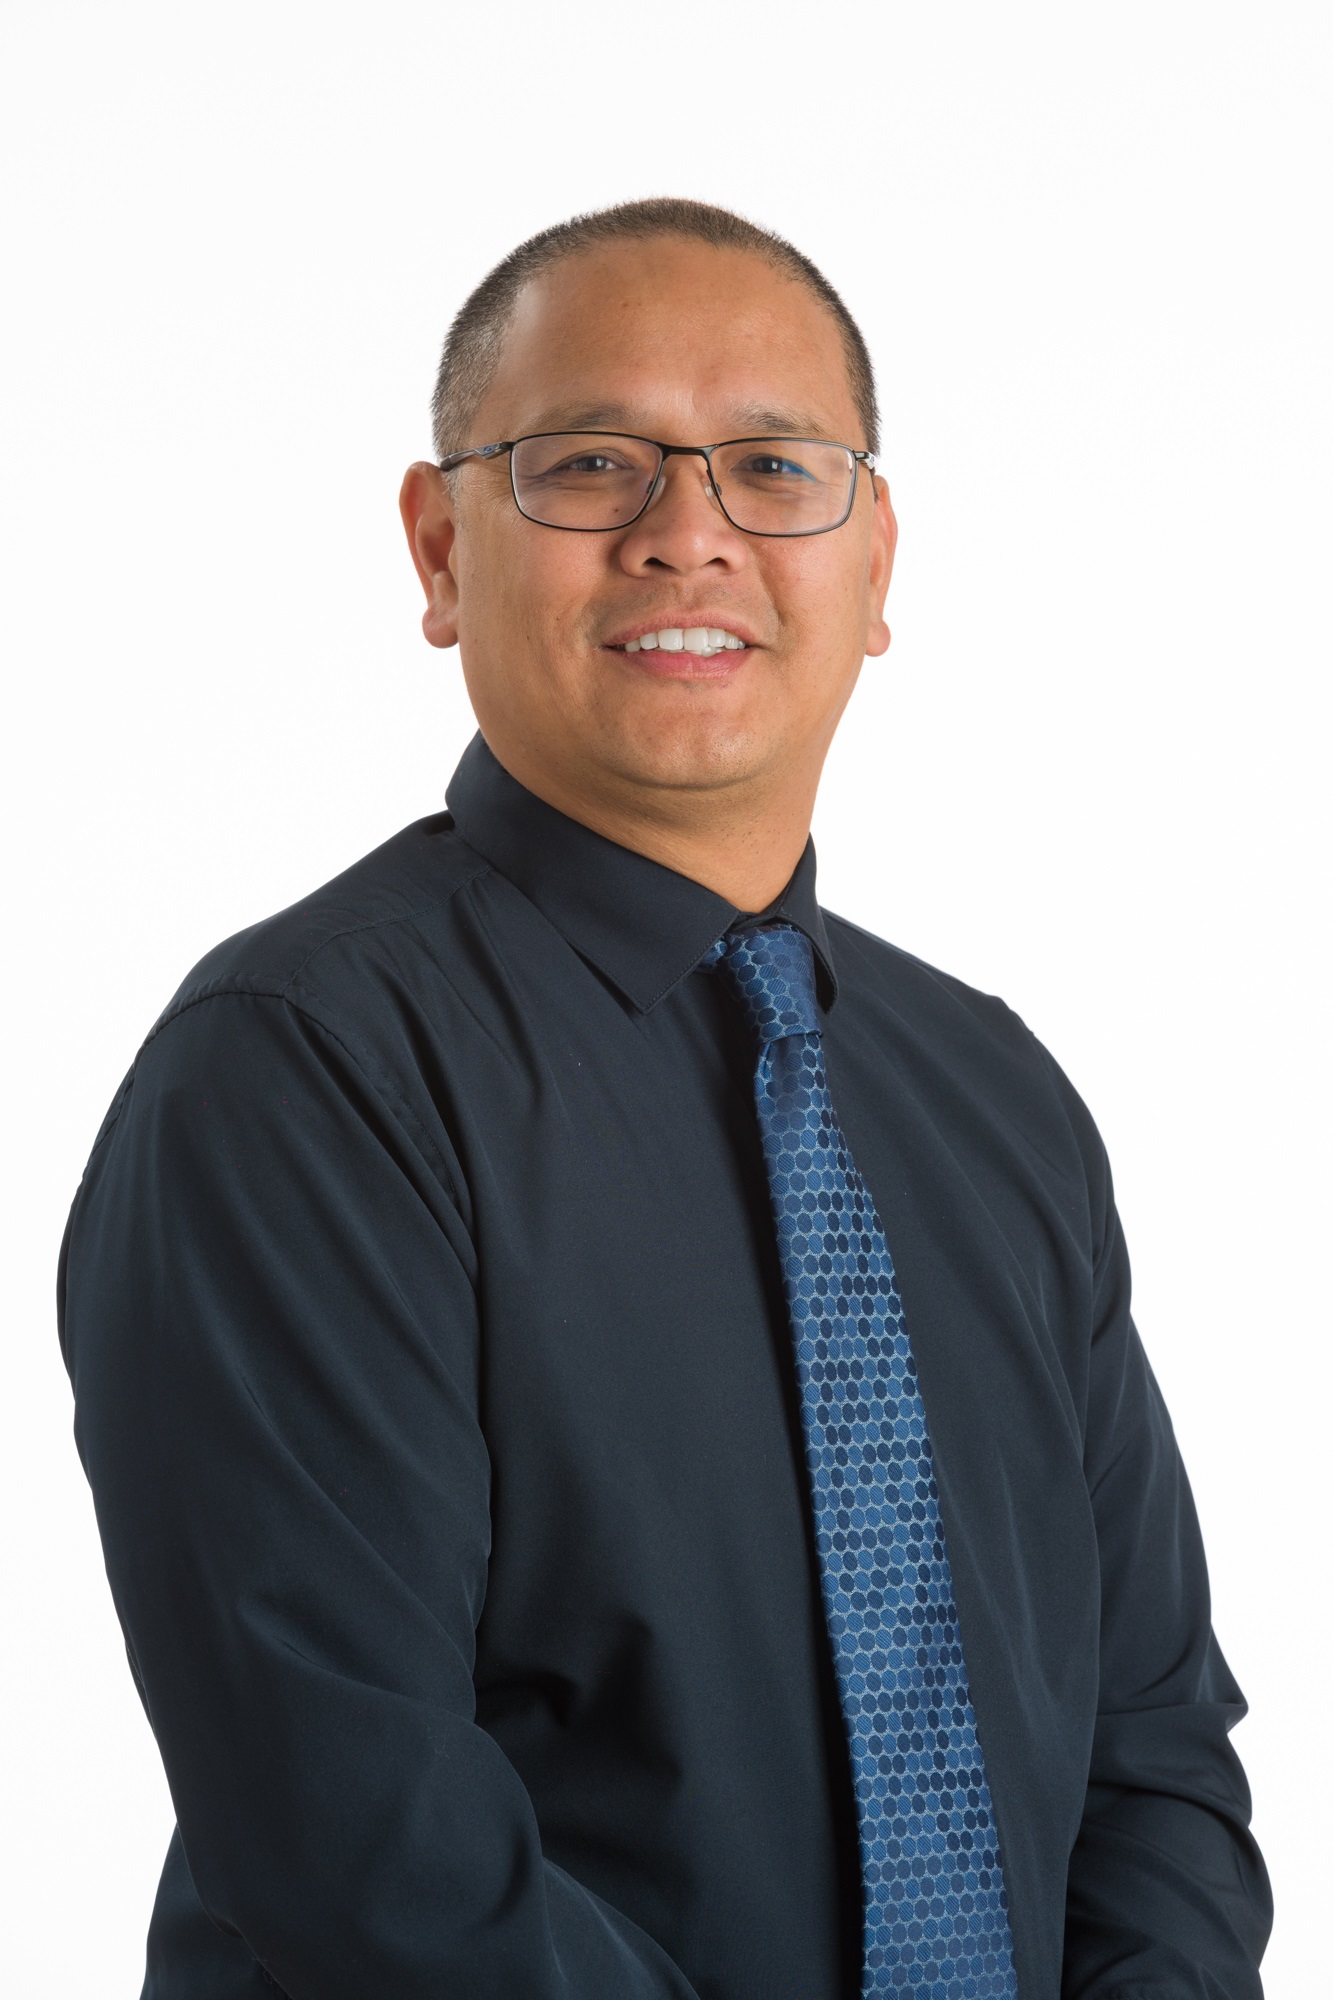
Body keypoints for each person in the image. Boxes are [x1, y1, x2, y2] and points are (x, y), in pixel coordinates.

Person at [58, 198, 1271, 2000]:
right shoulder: (301, 1065)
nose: (685, 533)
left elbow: (1151, 1746)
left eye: (772, 466)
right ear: (441, 548)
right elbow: (362, 1841)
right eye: (590, 464)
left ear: (873, 566)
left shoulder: (992, 1096)